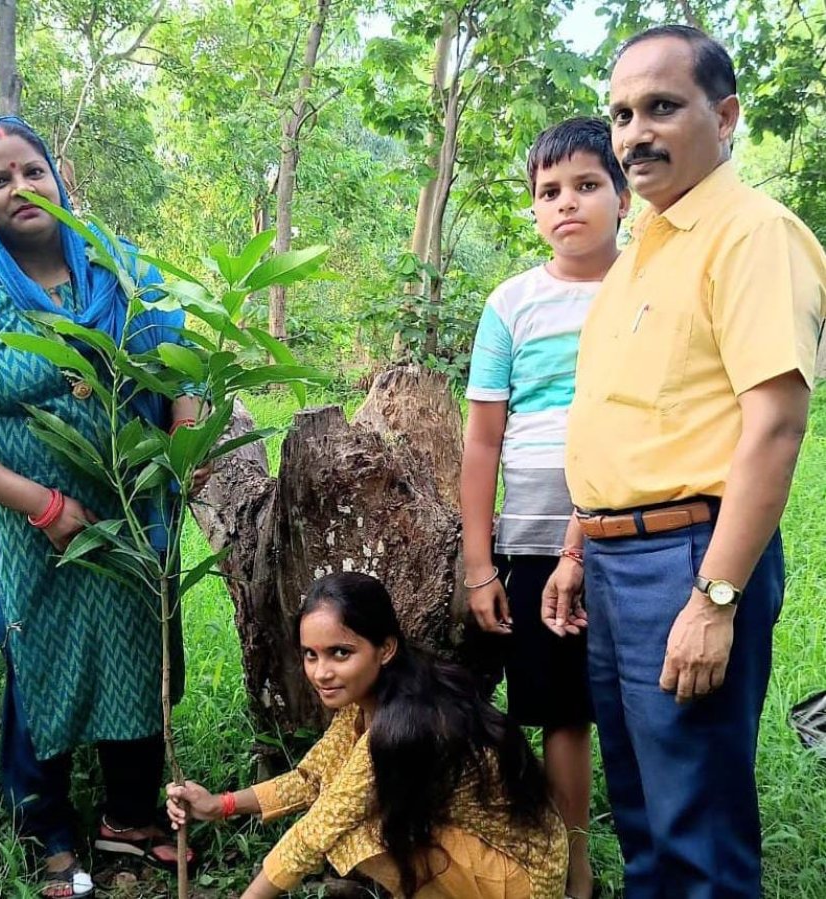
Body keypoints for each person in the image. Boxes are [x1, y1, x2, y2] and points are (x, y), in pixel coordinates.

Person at [542, 26, 826, 899]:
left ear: (726, 115)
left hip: (688, 565)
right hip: (615, 565)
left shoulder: (751, 235)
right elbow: (626, 423)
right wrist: (576, 547)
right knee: (644, 822)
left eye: (662, 106)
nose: (633, 133)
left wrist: (716, 597)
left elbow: (775, 425)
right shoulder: (643, 254)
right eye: (622, 112)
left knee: (697, 835)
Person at [0, 116, 208, 899]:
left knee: (139, 655)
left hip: (136, 520)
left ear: (56, 176)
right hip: (37, 536)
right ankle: (47, 827)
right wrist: (42, 505)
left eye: (31, 171)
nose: (20, 189)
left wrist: (185, 446)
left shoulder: (123, 271)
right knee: (44, 665)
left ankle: (130, 817)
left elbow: (184, 370)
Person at [166, 572, 569, 899]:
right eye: (311, 654)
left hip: (523, 878)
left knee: (352, 830)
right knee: (346, 811)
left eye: (340, 653)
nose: (321, 672)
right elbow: (309, 780)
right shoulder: (372, 698)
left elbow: (315, 832)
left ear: (385, 648)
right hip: (511, 856)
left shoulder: (404, 724)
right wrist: (222, 804)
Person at [461, 117, 629, 899]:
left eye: (588, 185)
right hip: (531, 539)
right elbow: (483, 440)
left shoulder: (647, 287)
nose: (568, 204)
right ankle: (573, 862)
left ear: (623, 196)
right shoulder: (512, 303)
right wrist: (477, 561)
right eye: (549, 191)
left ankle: (655, 841)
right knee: (563, 708)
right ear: (533, 209)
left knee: (635, 702)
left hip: (635, 531)